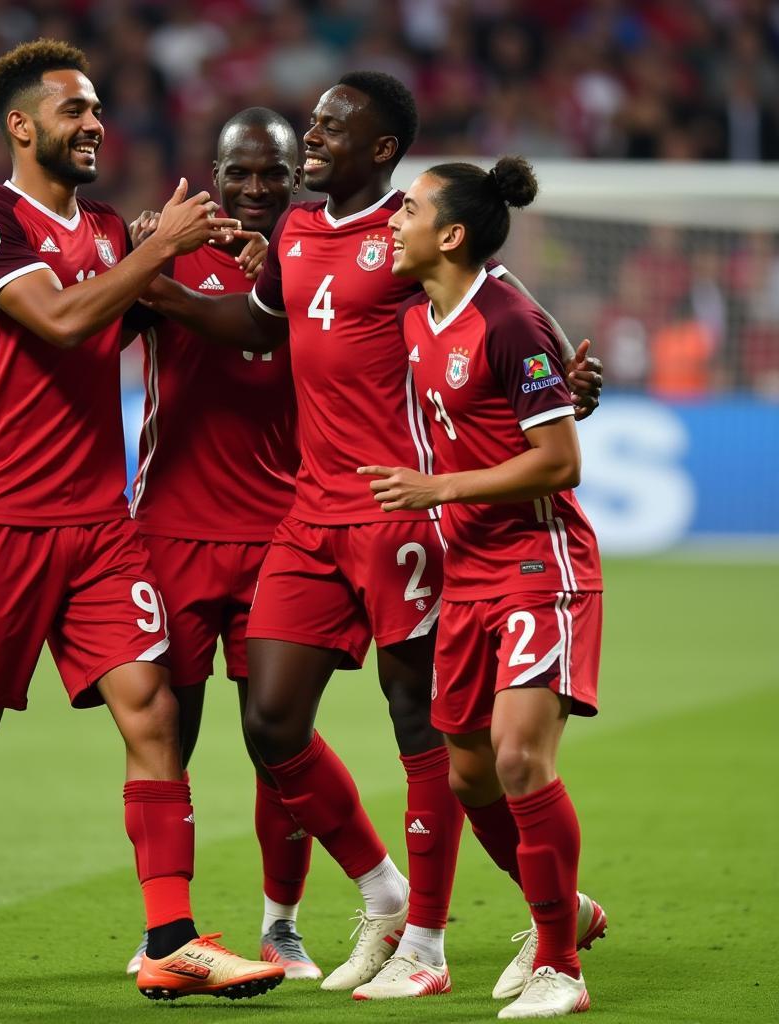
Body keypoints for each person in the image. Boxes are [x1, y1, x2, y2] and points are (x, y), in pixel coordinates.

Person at [141, 72, 603, 1000]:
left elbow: (505, 311)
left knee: (430, 733)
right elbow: (262, 325)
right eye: (311, 123)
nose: (310, 137)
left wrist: (568, 382)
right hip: (310, 513)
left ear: (380, 149)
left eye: (327, 127)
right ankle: (387, 889)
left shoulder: (413, 230)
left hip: (407, 512)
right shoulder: (299, 232)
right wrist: (165, 295)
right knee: (272, 721)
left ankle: (432, 940)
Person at [0, 39, 284, 1004]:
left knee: (152, 713)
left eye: (98, 107)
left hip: (102, 525)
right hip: (3, 521)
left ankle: (171, 938)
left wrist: (237, 269)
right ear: (22, 126)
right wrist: (156, 250)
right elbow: (63, 321)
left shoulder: (109, 227)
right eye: (74, 111)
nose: (95, 122)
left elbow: (156, 316)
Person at [360, 155, 605, 1018]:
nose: (394, 218)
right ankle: (564, 905)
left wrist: (442, 490)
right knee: (468, 776)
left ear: (451, 234)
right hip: (466, 570)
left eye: (411, 208)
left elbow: (560, 460)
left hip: (540, 562)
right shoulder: (425, 312)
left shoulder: (507, 318)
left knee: (518, 757)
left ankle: (559, 964)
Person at [124, 108, 324, 980]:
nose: (254, 188)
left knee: (278, 737)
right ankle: (168, 929)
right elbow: (87, 335)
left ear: (297, 176)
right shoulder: (164, 252)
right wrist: (138, 257)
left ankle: (282, 924)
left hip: (285, 532)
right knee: (169, 733)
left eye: (272, 173)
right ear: (212, 173)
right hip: (171, 530)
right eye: (239, 172)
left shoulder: (321, 263)